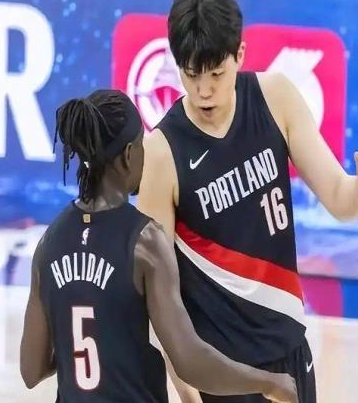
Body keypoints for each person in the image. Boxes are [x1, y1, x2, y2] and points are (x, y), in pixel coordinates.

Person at [137, 0, 358, 403]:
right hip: (221, 371)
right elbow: (158, 296)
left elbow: (341, 199)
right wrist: (188, 393)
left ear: (240, 55)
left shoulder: (275, 97)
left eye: (216, 74)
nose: (204, 90)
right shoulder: (161, 152)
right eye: (192, 75)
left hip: (288, 350)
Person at [20, 89, 298, 402]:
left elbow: (31, 369)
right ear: (128, 154)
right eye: (142, 144)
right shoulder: (144, 241)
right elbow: (190, 361)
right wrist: (268, 382)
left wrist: (79, 347)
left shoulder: (49, 242)